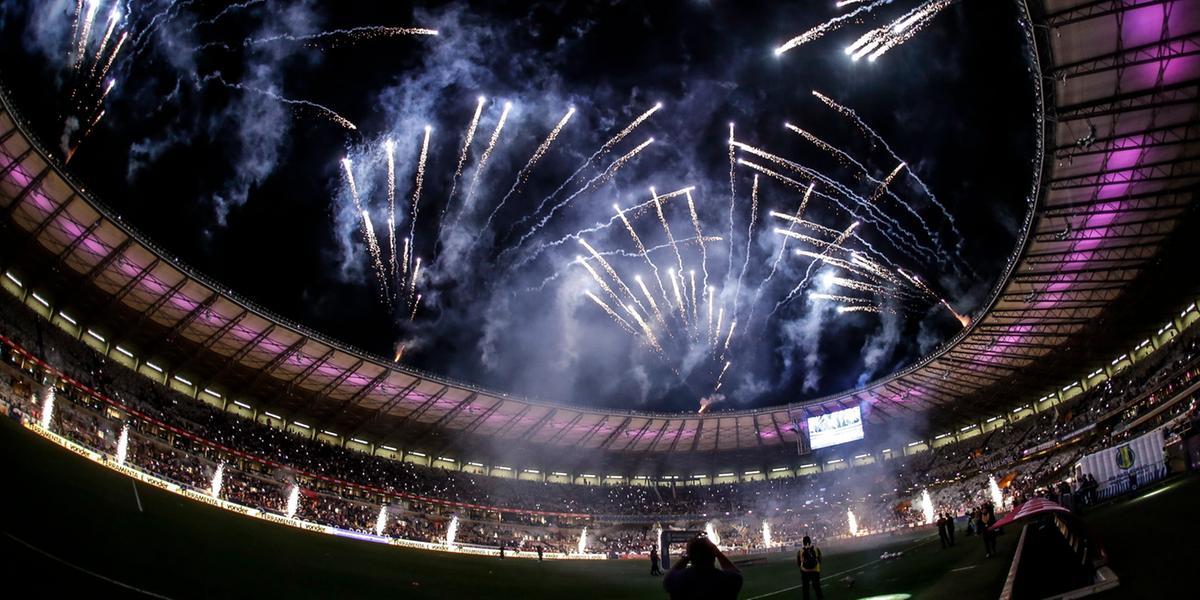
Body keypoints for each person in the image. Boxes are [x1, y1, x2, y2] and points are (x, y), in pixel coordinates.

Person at [663, 536, 742, 600]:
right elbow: (735, 573)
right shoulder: (727, 579)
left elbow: (670, 575)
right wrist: (717, 552)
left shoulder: (678, 579)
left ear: (691, 556)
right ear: (713, 555)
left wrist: (688, 555)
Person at [797, 535, 823, 600]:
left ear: (803, 542)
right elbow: (819, 559)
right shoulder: (816, 549)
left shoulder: (800, 551)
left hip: (805, 572)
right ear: (810, 541)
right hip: (815, 571)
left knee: (805, 589)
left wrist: (802, 568)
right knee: (817, 587)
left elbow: (799, 563)